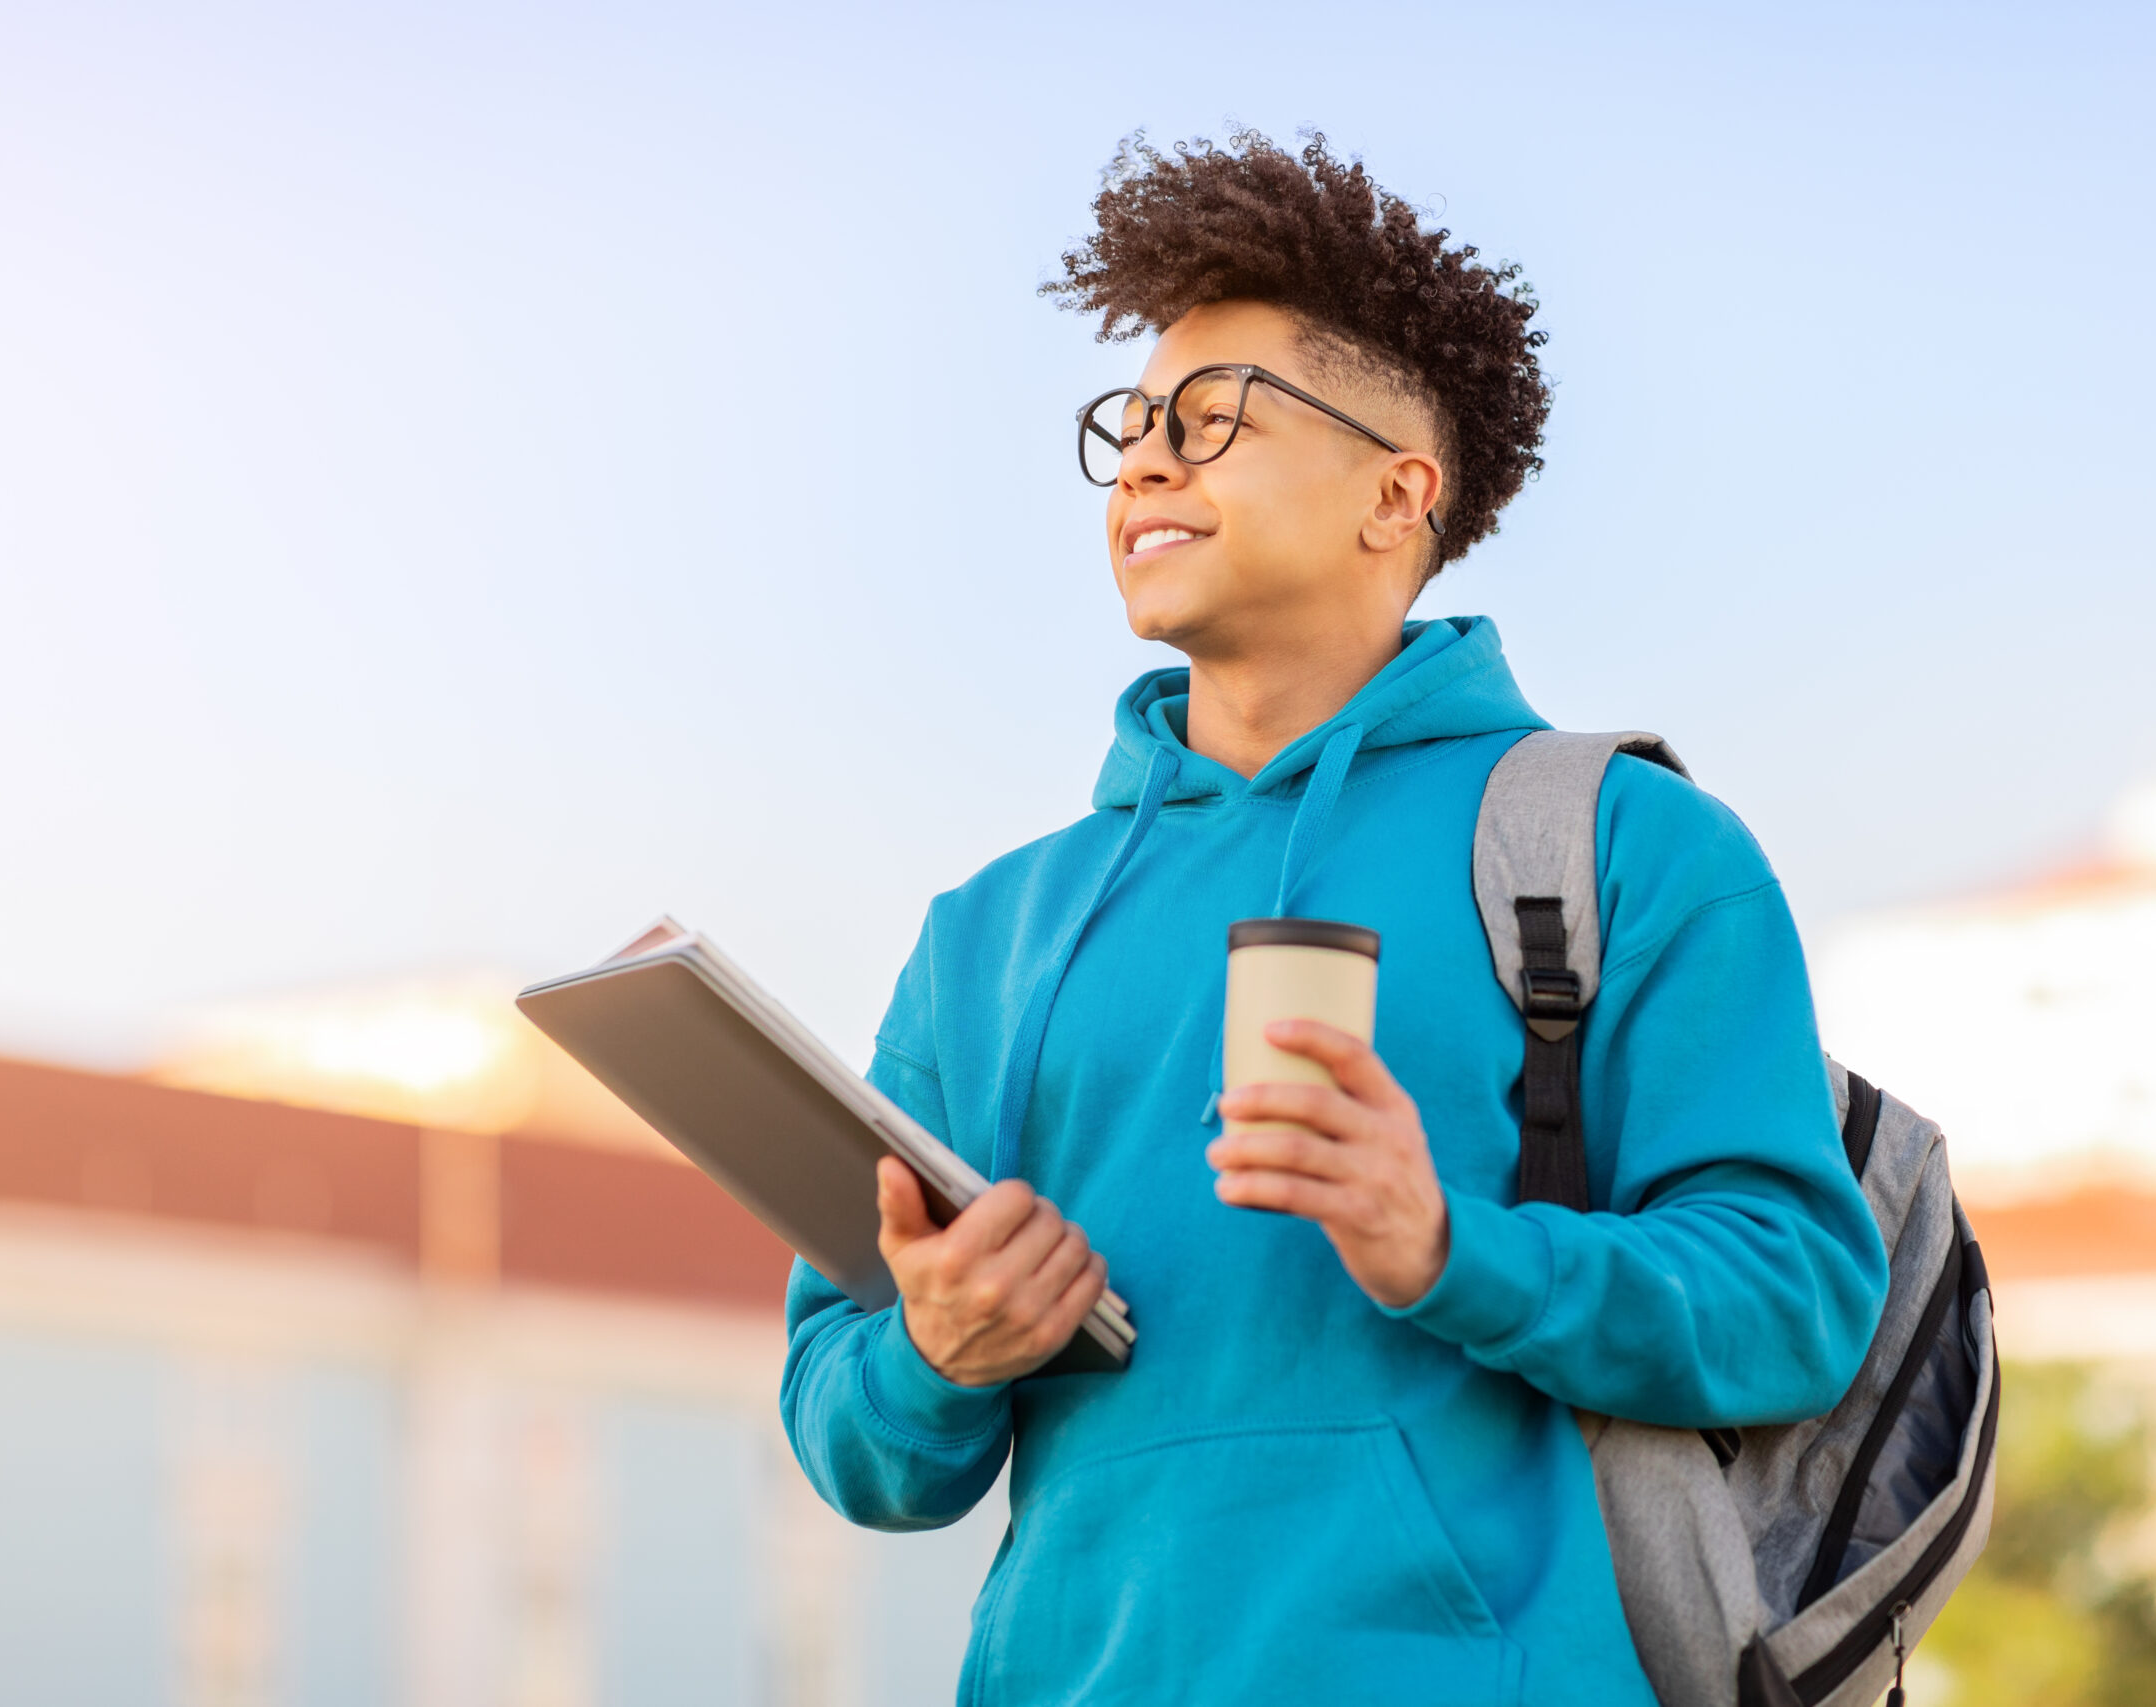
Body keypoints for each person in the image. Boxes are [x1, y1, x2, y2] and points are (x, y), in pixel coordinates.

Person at [780, 132, 1887, 1705]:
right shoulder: (986, 933)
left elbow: (1794, 1301)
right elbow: (849, 1429)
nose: (1150, 463)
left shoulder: (1620, 843)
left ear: (1398, 490)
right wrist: (933, 1353)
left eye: (1216, 417)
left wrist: (1450, 1247)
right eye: (1134, 429)